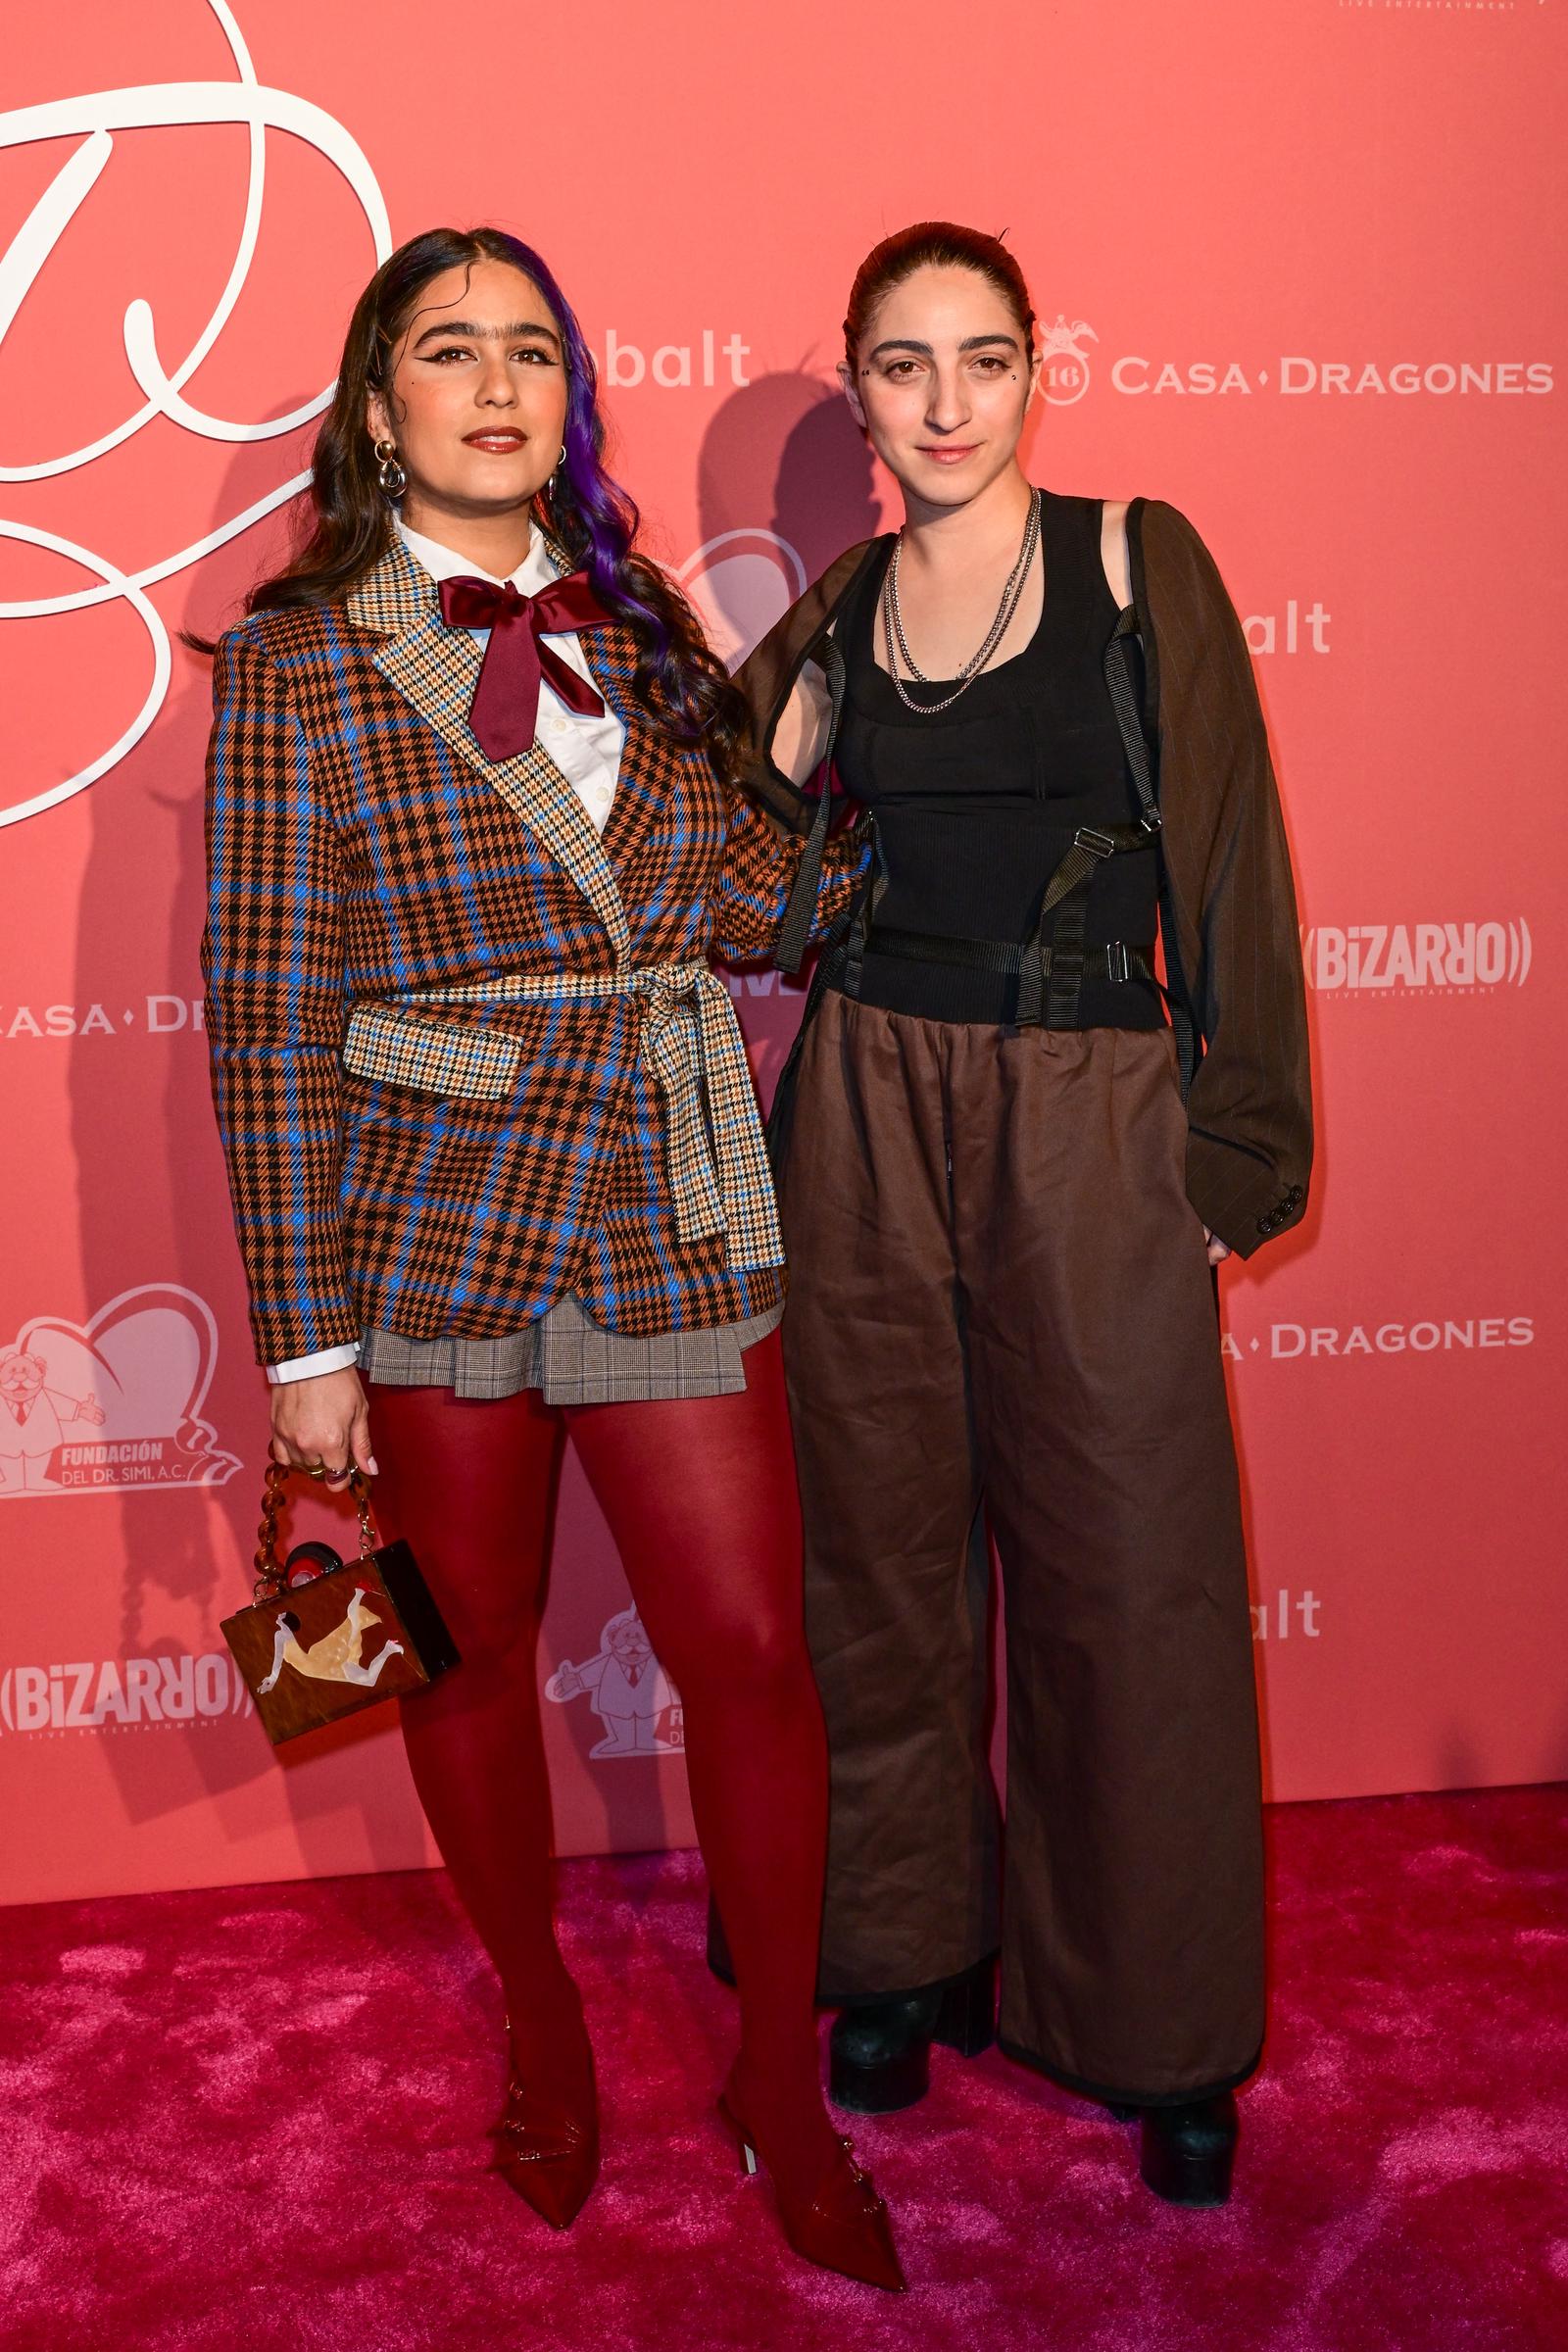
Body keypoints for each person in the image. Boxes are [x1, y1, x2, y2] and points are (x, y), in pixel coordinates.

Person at [200, 226, 901, 2289]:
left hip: (670, 1192)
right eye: (450, 351)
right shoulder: (300, 659)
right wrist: (302, 1346)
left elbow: (751, 912)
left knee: (753, 1662)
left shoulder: (638, 620)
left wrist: (867, 752)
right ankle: (541, 2022)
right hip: (432, 1215)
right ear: (378, 403)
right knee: (462, 1648)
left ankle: (775, 2076)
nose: (497, 385)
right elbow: (263, 1014)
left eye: (531, 352)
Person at [721, 221, 1312, 2208]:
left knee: (1125, 1578)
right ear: (862, 388)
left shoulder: (1141, 563)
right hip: (867, 1106)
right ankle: (895, 1954)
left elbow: (1227, 860)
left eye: (981, 360)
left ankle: (1152, 2025)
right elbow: (716, 847)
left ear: (1036, 368)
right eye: (903, 368)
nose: (946, 403)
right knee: (874, 1564)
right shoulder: (839, 607)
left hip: (1085, 1111)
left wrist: (1236, 1152)